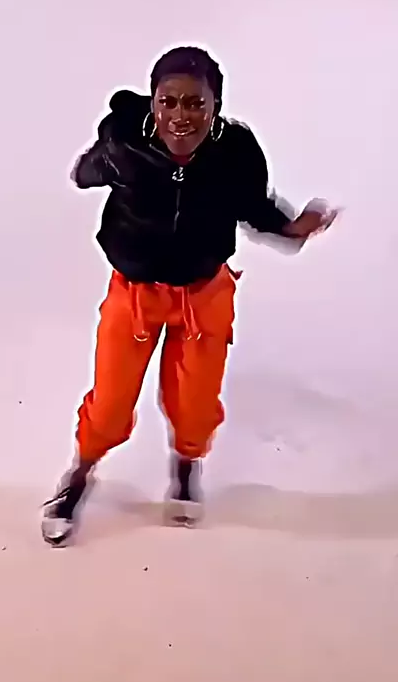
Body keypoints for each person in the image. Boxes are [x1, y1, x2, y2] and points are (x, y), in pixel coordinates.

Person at [41, 45, 337, 546]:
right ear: (153, 103)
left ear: (215, 106)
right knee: (109, 404)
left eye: (196, 103)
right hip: (135, 293)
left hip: (204, 294)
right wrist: (98, 161)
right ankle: (79, 474)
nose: (181, 116)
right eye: (169, 102)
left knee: (196, 404)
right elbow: (85, 173)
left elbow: (254, 207)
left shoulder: (236, 150)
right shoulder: (125, 142)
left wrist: (291, 228)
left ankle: (185, 468)